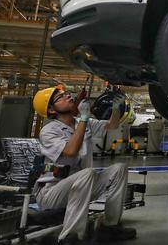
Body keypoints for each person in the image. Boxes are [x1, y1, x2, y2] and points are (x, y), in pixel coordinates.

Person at [32, 86, 137, 244]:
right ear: (52, 110)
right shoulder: (49, 131)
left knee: (119, 169)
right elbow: (71, 151)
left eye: (66, 94)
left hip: (82, 186)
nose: (67, 96)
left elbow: (111, 126)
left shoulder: (82, 122)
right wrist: (84, 118)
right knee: (88, 174)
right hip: (52, 192)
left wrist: (116, 108)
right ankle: (70, 236)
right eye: (60, 97)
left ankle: (110, 227)